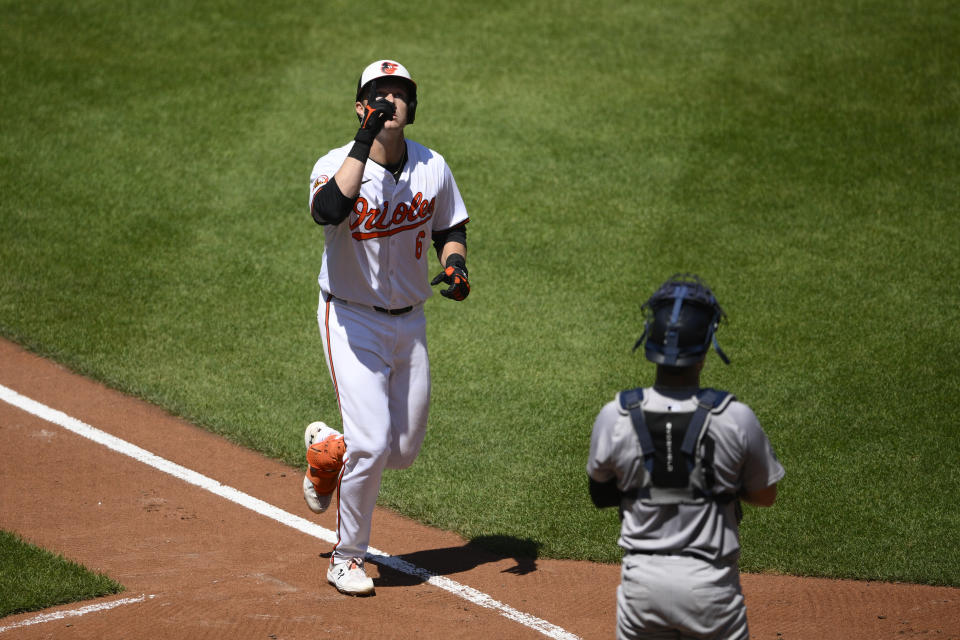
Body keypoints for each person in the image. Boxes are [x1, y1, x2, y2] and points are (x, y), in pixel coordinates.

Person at [304, 59, 471, 596]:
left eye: (399, 93)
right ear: (361, 106)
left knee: (400, 452)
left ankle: (328, 451)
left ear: (412, 106)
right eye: (379, 94)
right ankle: (346, 558)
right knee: (373, 445)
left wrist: (456, 264)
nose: (390, 101)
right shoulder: (334, 162)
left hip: (411, 322)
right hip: (350, 318)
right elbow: (329, 210)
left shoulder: (431, 165)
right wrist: (364, 139)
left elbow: (451, 223)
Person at [586, 273, 784, 639]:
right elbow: (766, 496)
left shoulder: (615, 414)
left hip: (641, 589)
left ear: (650, 342)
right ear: (707, 347)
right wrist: (716, 484)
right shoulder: (736, 418)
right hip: (711, 590)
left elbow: (599, 494)